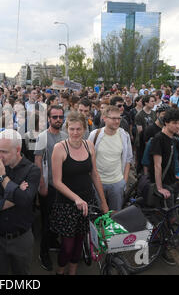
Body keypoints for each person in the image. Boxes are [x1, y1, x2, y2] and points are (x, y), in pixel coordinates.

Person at [50, 111, 108, 275]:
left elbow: (94, 174)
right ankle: (60, 271)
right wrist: (76, 199)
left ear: (84, 130)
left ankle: (72, 271)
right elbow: (56, 182)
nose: (75, 133)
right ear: (66, 129)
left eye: (79, 129)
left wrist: (103, 202)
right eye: (72, 129)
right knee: (67, 247)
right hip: (67, 205)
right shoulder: (59, 148)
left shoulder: (89, 145)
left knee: (80, 241)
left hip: (87, 202)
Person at [0, 129, 40, 275]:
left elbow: (25, 200)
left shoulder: (32, 171)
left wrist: (2, 178)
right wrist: (11, 199)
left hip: (21, 238)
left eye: (4, 152)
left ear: (18, 150)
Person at [149, 108, 179, 266]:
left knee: (171, 217)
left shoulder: (174, 139)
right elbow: (157, 165)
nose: (178, 126)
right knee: (166, 218)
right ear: (166, 122)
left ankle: (160, 240)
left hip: (173, 183)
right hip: (164, 186)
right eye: (174, 123)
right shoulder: (158, 139)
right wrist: (160, 188)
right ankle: (162, 247)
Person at [34, 105, 68, 271]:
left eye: (61, 117)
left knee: (58, 218)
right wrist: (42, 185)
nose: (58, 120)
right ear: (49, 119)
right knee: (47, 222)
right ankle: (43, 252)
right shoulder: (42, 137)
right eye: (54, 117)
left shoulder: (65, 136)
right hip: (48, 186)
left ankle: (54, 241)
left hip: (62, 186)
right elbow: (38, 162)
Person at [88, 105, 133, 211]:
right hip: (98, 183)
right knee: (98, 216)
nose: (117, 121)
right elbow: (89, 159)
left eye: (119, 118)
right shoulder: (95, 135)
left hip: (117, 184)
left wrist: (124, 181)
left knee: (115, 216)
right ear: (104, 118)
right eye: (113, 118)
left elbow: (128, 159)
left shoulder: (124, 135)